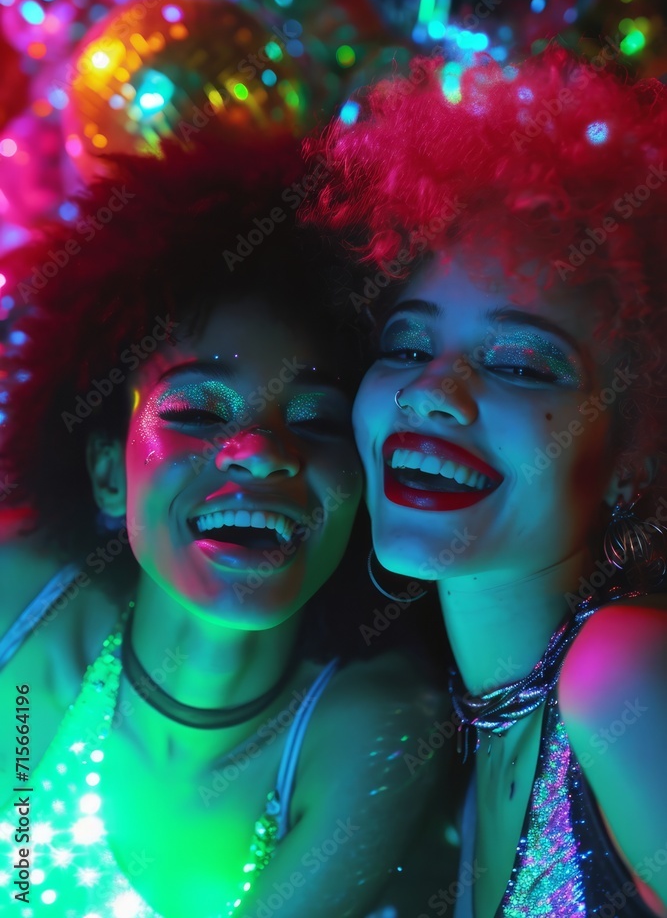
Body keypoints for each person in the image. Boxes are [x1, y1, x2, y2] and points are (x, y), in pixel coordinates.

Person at [0, 132, 444, 917]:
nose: (260, 454)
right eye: (199, 410)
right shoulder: (19, 601)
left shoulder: (379, 724)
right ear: (108, 471)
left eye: (314, 421)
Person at [304, 43, 667, 917]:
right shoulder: (477, 741)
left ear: (634, 457)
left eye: (519, 363)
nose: (432, 391)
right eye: (408, 346)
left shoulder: (618, 673)